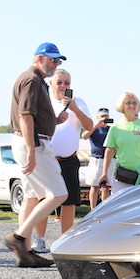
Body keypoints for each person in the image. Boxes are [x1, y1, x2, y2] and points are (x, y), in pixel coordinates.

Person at [3, 43, 68, 267]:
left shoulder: (34, 79)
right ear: (40, 58)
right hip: (33, 142)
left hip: (29, 140)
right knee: (58, 194)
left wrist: (53, 120)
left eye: (58, 61)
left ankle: (25, 253)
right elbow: (25, 115)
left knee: (32, 197)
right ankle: (20, 237)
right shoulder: (32, 79)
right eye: (52, 59)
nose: (56, 64)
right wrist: (32, 150)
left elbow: (31, 115)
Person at [32, 68, 93, 252]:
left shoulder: (78, 102)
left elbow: (89, 127)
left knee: (69, 202)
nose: (63, 86)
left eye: (67, 83)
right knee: (43, 200)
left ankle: (65, 241)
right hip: (46, 158)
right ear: (51, 83)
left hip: (69, 159)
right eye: (59, 82)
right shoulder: (44, 101)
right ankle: (40, 239)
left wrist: (74, 109)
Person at [97, 91, 140, 198]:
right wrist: (104, 173)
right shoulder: (115, 127)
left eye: (134, 103)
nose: (132, 105)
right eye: (128, 103)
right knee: (119, 207)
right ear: (122, 105)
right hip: (121, 176)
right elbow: (109, 150)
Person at [81, 107, 113, 208]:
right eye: (102, 116)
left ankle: (105, 209)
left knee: (106, 187)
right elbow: (84, 136)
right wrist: (96, 125)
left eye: (106, 116)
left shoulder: (111, 130)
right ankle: (92, 210)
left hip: (109, 159)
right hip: (96, 159)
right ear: (97, 117)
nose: (104, 118)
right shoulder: (93, 128)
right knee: (94, 186)